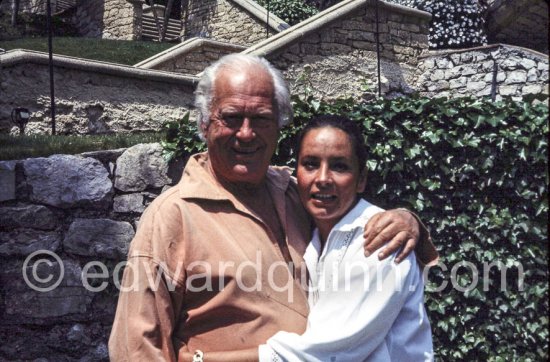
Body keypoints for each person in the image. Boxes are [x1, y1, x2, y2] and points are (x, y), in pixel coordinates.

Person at [108, 54, 438, 361]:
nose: (246, 133)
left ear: (279, 126)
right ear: (205, 124)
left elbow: (352, 218)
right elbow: (135, 345)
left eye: (262, 119)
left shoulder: (296, 193)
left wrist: (409, 221)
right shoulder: (173, 216)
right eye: (232, 118)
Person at [257, 115, 433, 361]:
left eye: (339, 166)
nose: (322, 179)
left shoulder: (379, 241)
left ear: (361, 179)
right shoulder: (315, 235)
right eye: (310, 164)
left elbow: (318, 356)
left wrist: (203, 358)